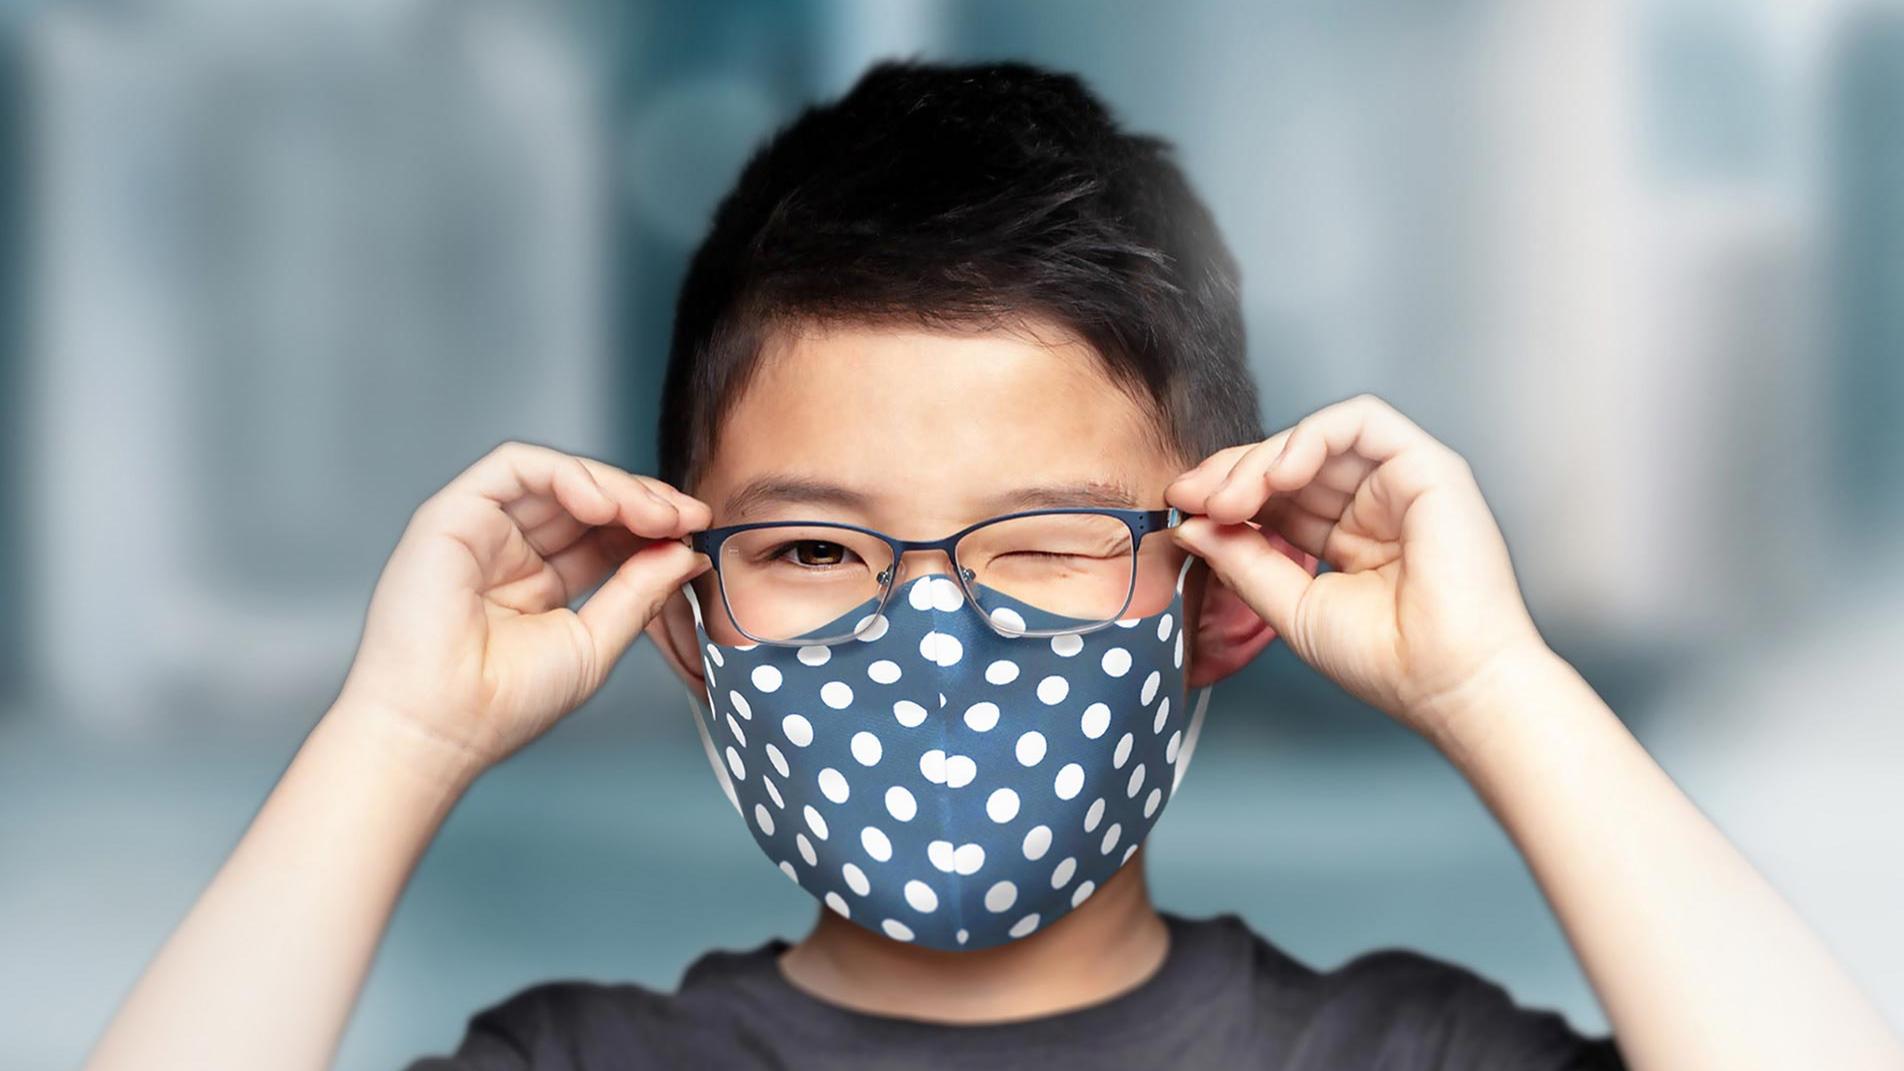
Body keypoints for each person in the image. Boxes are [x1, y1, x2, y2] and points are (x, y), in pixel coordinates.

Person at [85, 59, 1903, 1071]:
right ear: (687, 617)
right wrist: (392, 742)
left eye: (1042, 542)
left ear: (1211, 596)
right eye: (811, 545)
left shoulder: (1399, 1060)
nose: (929, 630)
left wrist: (1499, 693)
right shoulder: (576, 1070)